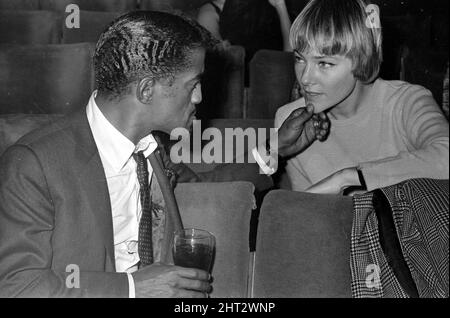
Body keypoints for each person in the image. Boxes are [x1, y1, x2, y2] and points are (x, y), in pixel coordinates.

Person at [0, 11, 329, 297]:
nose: (199, 97)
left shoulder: (150, 149)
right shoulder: (34, 164)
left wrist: (276, 149)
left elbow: (205, 187)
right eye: (193, 83)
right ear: (146, 90)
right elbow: (16, 286)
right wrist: (133, 289)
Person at [275, 0, 449, 194]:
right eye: (299, 59)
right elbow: (307, 213)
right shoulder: (289, 120)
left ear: (362, 59)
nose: (305, 78)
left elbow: (446, 157)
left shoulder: (406, 102)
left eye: (324, 63)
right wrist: (273, 149)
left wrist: (347, 179)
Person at [197, 0, 292, 56]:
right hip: (238, 81)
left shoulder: (267, 7)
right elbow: (215, 50)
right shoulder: (209, 11)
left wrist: (280, 6)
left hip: (275, 76)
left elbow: (290, 57)